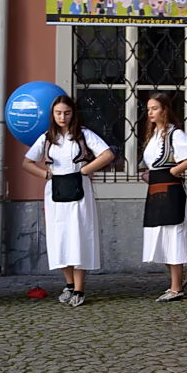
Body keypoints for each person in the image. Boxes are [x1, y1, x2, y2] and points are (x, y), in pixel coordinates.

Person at [22, 95, 114, 307]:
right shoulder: (47, 138)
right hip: (55, 191)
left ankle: (80, 289)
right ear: (52, 115)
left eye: (67, 113)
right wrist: (45, 174)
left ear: (73, 114)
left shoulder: (83, 134)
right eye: (58, 113)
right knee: (60, 237)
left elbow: (107, 154)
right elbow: (26, 162)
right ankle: (69, 284)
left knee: (79, 235)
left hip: (79, 189)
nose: (62, 117)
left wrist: (85, 170)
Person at [141, 93, 187, 302]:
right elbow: (155, 164)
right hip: (155, 191)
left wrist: (176, 170)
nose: (150, 113)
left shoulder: (175, 134)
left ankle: (176, 288)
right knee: (161, 236)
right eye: (148, 109)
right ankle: (178, 279)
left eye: (155, 108)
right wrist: (148, 174)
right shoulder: (153, 135)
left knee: (173, 235)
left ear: (165, 110)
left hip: (171, 192)